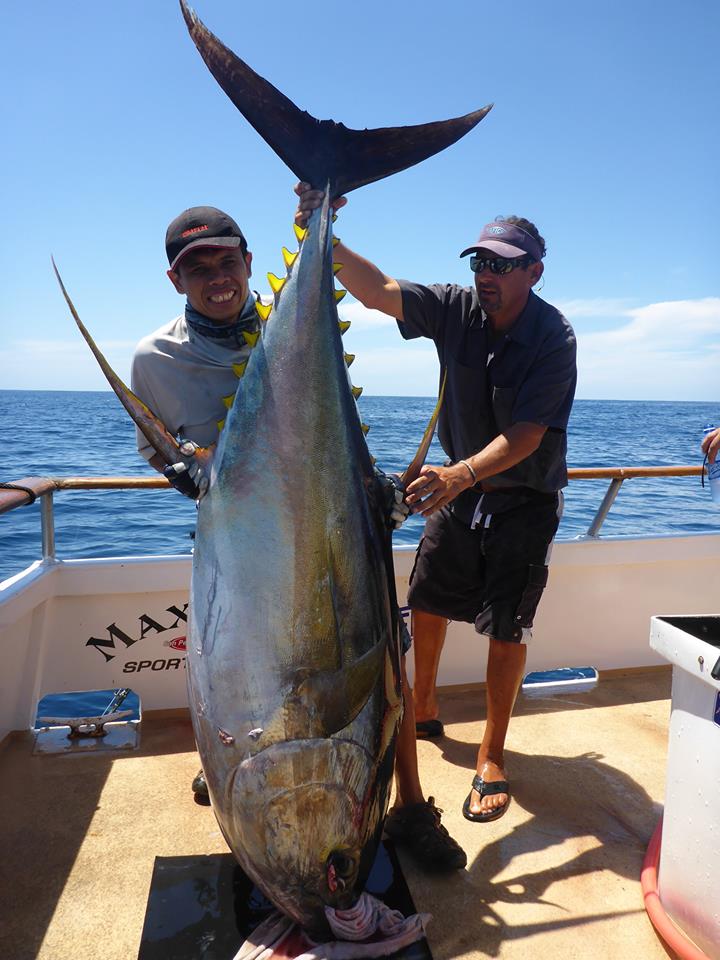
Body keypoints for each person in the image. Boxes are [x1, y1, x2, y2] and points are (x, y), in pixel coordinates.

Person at [131, 205, 467, 870]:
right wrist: (185, 467)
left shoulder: (294, 326)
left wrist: (320, 219)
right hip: (243, 544)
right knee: (230, 662)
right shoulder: (156, 359)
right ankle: (227, 759)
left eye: (227, 261)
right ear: (175, 279)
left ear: (250, 263)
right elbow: (155, 446)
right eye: (197, 268)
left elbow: (329, 434)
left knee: (380, 662)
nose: (216, 277)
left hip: (330, 529)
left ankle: (410, 807)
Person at [296, 184, 577, 824]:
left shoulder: (553, 337)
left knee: (506, 627)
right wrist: (323, 235)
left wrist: (459, 475)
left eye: (503, 265)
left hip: (523, 499)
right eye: (479, 262)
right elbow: (380, 290)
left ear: (534, 271)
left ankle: (491, 756)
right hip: (458, 490)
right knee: (425, 601)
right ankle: (423, 707)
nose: (487, 275)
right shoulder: (453, 309)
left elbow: (528, 435)